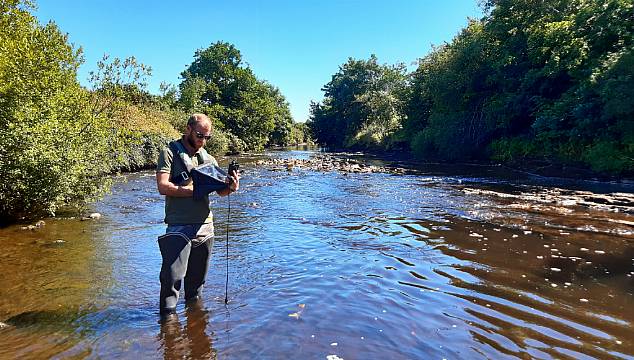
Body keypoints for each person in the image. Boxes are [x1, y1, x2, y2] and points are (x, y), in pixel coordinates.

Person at [156, 113, 239, 315]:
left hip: (205, 227)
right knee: (171, 282)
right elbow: (162, 186)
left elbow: (221, 191)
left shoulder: (208, 158)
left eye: (207, 137)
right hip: (179, 225)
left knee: (196, 288)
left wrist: (232, 187)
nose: (203, 140)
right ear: (188, 129)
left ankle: (196, 328)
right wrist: (193, 191)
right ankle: (168, 333)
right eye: (200, 135)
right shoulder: (169, 152)